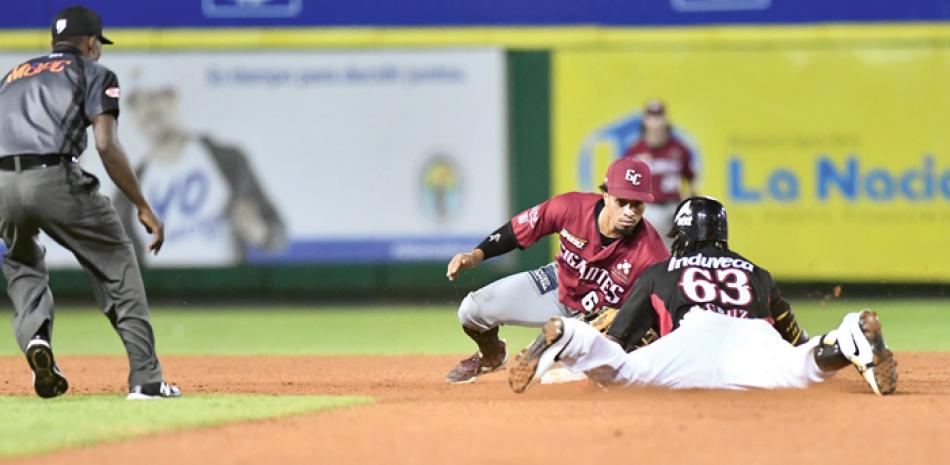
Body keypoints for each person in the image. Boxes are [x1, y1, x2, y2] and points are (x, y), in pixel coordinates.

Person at [509, 197, 898, 396]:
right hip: (754, 339)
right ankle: (848, 336)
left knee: (618, 374)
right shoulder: (757, 273)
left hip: (691, 339)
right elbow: (794, 339)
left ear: (680, 237)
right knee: (803, 367)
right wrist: (804, 351)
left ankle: (569, 337)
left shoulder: (660, 273)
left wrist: (587, 356)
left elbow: (617, 342)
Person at [0, 6, 181, 399]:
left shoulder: (12, 76)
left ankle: (35, 338)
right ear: (91, 43)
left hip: (2, 184)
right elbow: (105, 144)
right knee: (117, 261)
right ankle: (146, 379)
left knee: (21, 261)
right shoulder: (94, 73)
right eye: (98, 42)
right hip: (54, 176)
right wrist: (142, 204)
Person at [444, 157, 669, 383]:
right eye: (622, 201)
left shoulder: (652, 253)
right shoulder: (570, 208)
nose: (630, 211)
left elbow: (662, 311)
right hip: (556, 287)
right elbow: (516, 230)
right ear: (607, 195)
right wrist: (477, 254)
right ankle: (491, 356)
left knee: (560, 379)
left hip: (597, 321)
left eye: (637, 204)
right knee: (471, 310)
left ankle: (576, 363)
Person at [114, 72, 287, 266]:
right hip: (164, 295)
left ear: (173, 98)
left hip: (226, 291)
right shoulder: (127, 190)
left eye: (153, 97)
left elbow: (277, 236)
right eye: (136, 103)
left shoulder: (226, 160)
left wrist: (258, 230)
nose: (146, 109)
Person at [623, 100, 697, 249]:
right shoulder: (635, 150)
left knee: (677, 254)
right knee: (650, 252)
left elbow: (691, 179)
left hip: (674, 207)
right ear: (645, 121)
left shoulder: (679, 149)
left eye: (659, 116)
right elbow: (625, 185)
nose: (655, 121)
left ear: (666, 119)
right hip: (648, 209)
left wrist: (690, 203)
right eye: (651, 116)